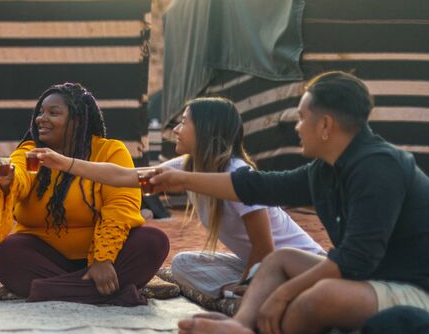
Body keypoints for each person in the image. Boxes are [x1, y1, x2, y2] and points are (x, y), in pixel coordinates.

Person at [150, 71, 429, 334]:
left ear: (326, 125)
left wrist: (283, 294)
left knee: (321, 297)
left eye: (302, 118)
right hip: (371, 276)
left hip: (417, 289)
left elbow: (355, 260)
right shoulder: (325, 170)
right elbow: (257, 186)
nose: (297, 127)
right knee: (279, 259)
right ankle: (242, 326)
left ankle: (257, 331)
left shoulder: (378, 168)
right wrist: (182, 178)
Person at [34, 96, 323, 299]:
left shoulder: (238, 175)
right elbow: (124, 176)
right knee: (184, 264)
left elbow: (265, 248)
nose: (175, 129)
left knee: (227, 279)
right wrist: (66, 163)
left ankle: (264, 293)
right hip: (258, 266)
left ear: (206, 130)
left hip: (300, 265)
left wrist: (250, 281)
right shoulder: (189, 167)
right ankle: (249, 293)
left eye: (184, 123)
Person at [0, 83, 169, 305]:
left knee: (153, 242)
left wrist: (102, 259)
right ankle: (110, 293)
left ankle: (48, 290)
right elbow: (21, 176)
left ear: (77, 120)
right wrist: (8, 181)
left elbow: (120, 207)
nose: (41, 119)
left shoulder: (110, 151)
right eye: (41, 112)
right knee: (5, 253)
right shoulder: (30, 151)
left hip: (108, 261)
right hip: (45, 257)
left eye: (53, 113)